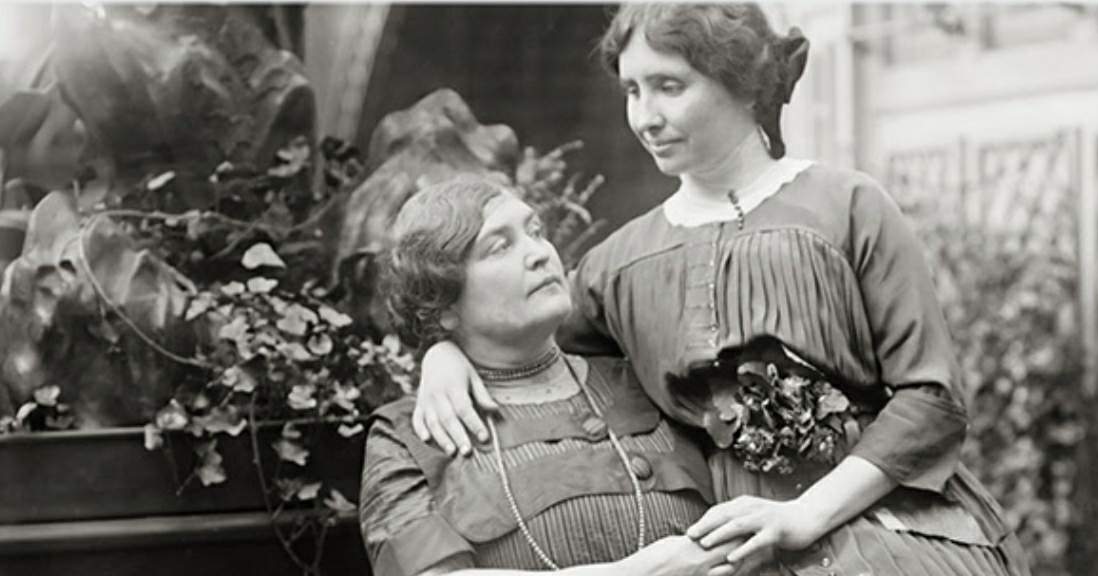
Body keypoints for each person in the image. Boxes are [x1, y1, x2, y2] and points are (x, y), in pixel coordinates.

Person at [410, 4, 1031, 576]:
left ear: (740, 81)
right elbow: (540, 358)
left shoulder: (848, 205)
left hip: (887, 526)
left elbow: (932, 400)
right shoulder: (614, 267)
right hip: (728, 548)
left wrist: (804, 516)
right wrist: (445, 353)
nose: (645, 117)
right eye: (632, 91)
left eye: (669, 86)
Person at [360, 176, 742, 576]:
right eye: (500, 247)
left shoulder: (646, 377)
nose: (539, 253)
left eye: (536, 232)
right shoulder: (409, 437)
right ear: (442, 304)